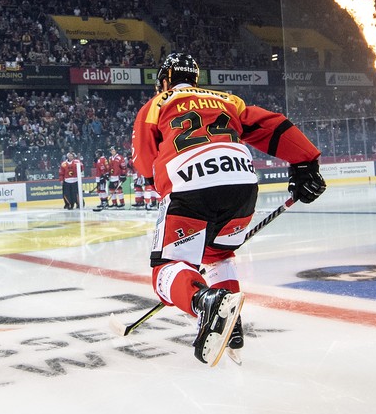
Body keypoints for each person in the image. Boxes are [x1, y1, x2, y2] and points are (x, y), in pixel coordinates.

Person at [132, 53, 325, 366]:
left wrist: (162, 185)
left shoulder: (156, 105)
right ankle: (230, 325)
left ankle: (204, 302)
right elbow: (273, 126)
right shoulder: (227, 100)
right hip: (241, 184)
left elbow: (145, 165)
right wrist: (306, 162)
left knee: (166, 269)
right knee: (218, 255)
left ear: (164, 80)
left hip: (188, 183)